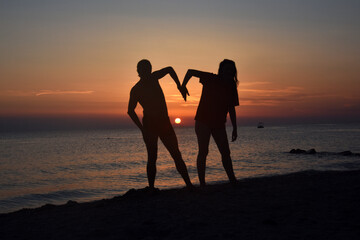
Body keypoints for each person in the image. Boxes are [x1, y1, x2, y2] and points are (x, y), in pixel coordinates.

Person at [127, 59, 193, 190]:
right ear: (139, 71)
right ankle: (151, 188)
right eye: (144, 69)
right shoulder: (136, 89)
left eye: (148, 68)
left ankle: (189, 185)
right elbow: (130, 111)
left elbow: (169, 69)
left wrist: (179, 85)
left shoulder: (153, 77)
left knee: (176, 154)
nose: (147, 71)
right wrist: (142, 129)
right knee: (152, 157)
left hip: (164, 123)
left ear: (150, 69)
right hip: (149, 125)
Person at [180, 59, 239, 186]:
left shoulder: (232, 85)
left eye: (231, 70)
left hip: (219, 123)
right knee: (203, 151)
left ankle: (232, 180)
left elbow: (231, 107)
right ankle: (202, 183)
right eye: (227, 69)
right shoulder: (211, 78)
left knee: (225, 152)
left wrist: (235, 128)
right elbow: (190, 72)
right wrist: (183, 86)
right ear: (221, 70)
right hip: (203, 121)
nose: (229, 72)